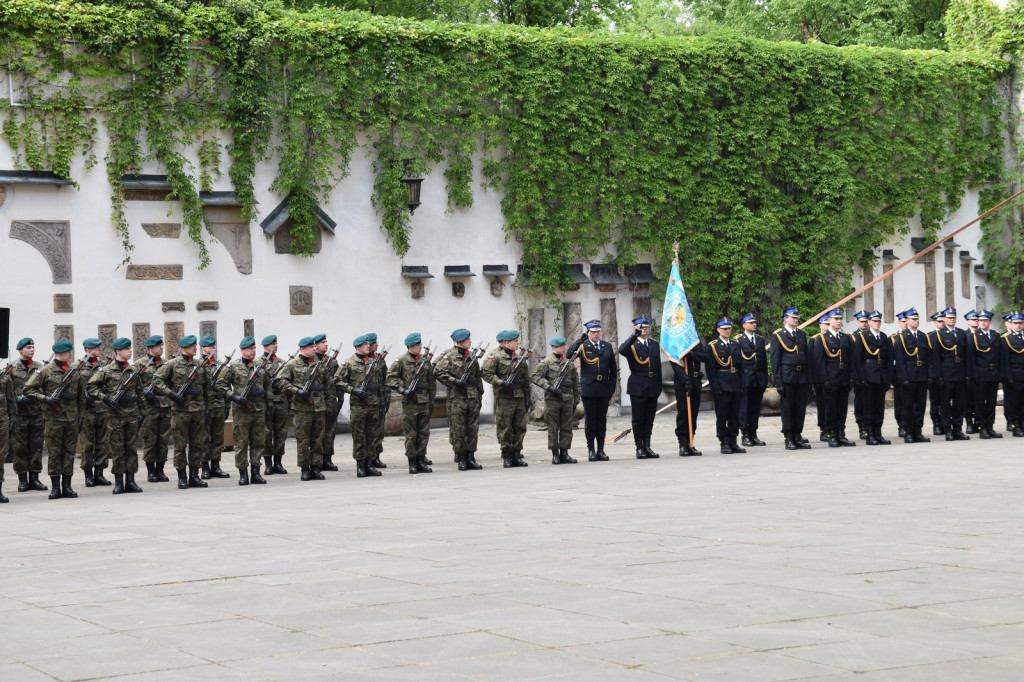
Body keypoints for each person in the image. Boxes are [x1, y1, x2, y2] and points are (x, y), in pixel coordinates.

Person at [23, 340, 86, 499]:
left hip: (71, 419)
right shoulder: (44, 371)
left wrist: (81, 416)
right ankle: (56, 487)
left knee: (69, 452)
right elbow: (27, 390)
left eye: (71, 351)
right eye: (68, 352)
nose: (71, 354)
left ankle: (67, 486)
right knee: (55, 453)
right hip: (53, 420)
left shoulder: (74, 371)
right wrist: (45, 399)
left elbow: (80, 396)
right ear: (59, 353)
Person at [151, 334, 211, 489]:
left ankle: (194, 476)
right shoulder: (172, 364)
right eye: (192, 346)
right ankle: (182, 476)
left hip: (198, 410)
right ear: (184, 347)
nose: (195, 348)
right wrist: (171, 394)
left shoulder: (200, 365)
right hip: (180, 411)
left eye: (196, 345)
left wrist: (208, 408)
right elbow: (156, 380)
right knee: (180, 445)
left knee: (197, 444)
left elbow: (207, 388)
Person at [88, 337, 144, 494]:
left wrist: (143, 412)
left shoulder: (133, 371)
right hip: (115, 416)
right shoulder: (106, 370)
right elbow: (91, 387)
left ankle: (131, 481)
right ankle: (119, 482)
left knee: (132, 449)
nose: (130, 351)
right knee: (118, 450)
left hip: (132, 415)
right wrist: (105, 398)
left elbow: (140, 393)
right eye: (127, 349)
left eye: (130, 348)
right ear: (118, 351)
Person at [218, 336, 272, 485]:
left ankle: (256, 472)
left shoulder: (260, 366)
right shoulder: (233, 366)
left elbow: (268, 385)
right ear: (243, 350)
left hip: (259, 408)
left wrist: (269, 405)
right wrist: (234, 397)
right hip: (242, 410)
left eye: (255, 348)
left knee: (258, 442)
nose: (253, 351)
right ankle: (243, 473)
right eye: (250, 349)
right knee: (241, 443)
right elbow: (220, 385)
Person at [277, 337, 328, 480]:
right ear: (302, 349)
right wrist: (296, 391)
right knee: (303, 440)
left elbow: (327, 383)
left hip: (319, 407)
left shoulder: (320, 363)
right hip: (302, 408)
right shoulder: (292, 364)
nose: (314, 348)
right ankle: (305, 469)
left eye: (314, 346)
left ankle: (316, 468)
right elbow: (280, 381)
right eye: (311, 347)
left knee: (318, 440)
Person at [433, 329, 484, 470]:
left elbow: (478, 377)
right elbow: (437, 371)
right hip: (457, 398)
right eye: (468, 340)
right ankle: (461, 458)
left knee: (472, 428)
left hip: (472, 396)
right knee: (459, 428)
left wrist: (480, 395)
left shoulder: (472, 356)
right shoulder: (449, 356)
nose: (470, 341)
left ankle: (471, 457)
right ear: (460, 341)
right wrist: (454, 381)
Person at [567, 319, 616, 461]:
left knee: (601, 420)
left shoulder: (607, 346)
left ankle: (601, 449)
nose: (596, 334)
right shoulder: (583, 346)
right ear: (588, 333)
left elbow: (613, 370)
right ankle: (591, 450)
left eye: (598, 331)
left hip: (603, 388)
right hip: (589, 388)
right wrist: (579, 341)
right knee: (590, 420)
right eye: (593, 332)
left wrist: (611, 388)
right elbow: (569, 356)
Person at [387, 333, 437, 474]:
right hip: (410, 402)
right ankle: (412, 462)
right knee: (411, 434)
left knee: (423, 433)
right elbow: (390, 378)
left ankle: (421, 460)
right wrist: (403, 390)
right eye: (417, 345)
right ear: (410, 346)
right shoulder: (401, 360)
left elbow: (431, 382)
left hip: (424, 401)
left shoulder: (424, 360)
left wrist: (431, 400)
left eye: (420, 344)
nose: (420, 347)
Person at [334, 335, 382, 477]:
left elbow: (381, 382)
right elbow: (337, 380)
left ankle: (370, 464)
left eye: (369, 343)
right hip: (358, 405)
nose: (369, 346)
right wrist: (353, 390)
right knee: (359, 436)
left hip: (373, 404)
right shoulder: (349, 363)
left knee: (372, 435)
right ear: (358, 347)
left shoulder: (375, 362)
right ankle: (360, 465)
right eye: (365, 344)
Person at [481, 330, 531, 467]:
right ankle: (507, 455)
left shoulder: (519, 357)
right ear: (507, 343)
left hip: (519, 397)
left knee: (520, 427)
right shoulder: (495, 356)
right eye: (515, 341)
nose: (518, 343)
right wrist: (501, 382)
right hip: (504, 398)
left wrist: (528, 397)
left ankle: (517, 454)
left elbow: (525, 379)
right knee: (505, 428)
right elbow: (486, 374)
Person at [531, 336, 581, 464]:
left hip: (567, 398)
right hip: (553, 399)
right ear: (554, 348)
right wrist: (550, 388)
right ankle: (555, 454)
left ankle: (564, 453)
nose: (564, 348)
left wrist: (576, 398)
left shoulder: (569, 363)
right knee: (553, 427)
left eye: (564, 345)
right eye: (560, 346)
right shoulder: (546, 362)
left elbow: (575, 382)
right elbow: (535, 377)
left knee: (567, 427)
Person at [618, 316, 663, 459]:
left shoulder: (654, 344)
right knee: (638, 419)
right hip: (638, 384)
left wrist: (659, 385)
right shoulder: (632, 344)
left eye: (646, 326)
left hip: (652, 384)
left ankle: (647, 446)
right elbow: (621, 350)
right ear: (635, 327)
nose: (644, 328)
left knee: (649, 418)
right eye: (641, 326)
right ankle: (639, 447)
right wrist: (634, 335)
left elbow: (658, 366)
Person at [809, 310, 855, 448]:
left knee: (842, 406)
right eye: (836, 319)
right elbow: (819, 361)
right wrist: (824, 379)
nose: (839, 321)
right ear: (829, 320)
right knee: (830, 407)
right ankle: (831, 434)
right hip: (830, 376)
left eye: (840, 319)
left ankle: (841, 433)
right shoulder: (821, 339)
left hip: (843, 376)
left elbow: (851, 359)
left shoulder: (845, 338)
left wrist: (852, 377)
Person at [769, 308, 811, 450]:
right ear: (785, 319)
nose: (795, 319)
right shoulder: (779, 335)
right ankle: (788, 437)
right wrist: (778, 382)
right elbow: (775, 360)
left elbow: (805, 356)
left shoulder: (801, 334)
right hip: (787, 376)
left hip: (801, 376)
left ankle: (797, 435)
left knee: (800, 408)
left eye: (796, 317)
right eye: (792, 317)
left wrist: (808, 378)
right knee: (788, 408)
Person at [10, 338, 48, 493]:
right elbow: (6, 389)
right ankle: (22, 480)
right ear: (20, 351)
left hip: (37, 413)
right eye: (28, 347)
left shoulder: (41, 368)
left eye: (33, 347)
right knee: (20, 448)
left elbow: (46, 388)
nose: (31, 350)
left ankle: (34, 478)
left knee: (36, 447)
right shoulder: (12, 368)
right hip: (19, 415)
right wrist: (16, 398)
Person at [892, 308, 933, 443]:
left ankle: (918, 431)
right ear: (907, 321)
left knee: (920, 405)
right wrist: (903, 378)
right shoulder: (901, 338)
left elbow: (928, 358)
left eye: (917, 319)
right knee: (908, 405)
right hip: (909, 376)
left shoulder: (923, 336)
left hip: (921, 375)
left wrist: (929, 376)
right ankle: (908, 431)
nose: (916, 321)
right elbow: (899, 360)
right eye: (913, 319)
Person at [851, 311, 892, 445]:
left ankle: (878, 433)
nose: (877, 323)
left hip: (881, 375)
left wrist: (888, 378)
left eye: (878, 321)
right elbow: (857, 360)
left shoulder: (884, 337)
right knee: (869, 407)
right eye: (874, 321)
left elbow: (888, 360)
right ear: (868, 322)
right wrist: (860, 378)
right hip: (868, 375)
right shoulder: (862, 337)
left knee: (879, 407)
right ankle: (869, 434)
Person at [706, 319, 745, 454]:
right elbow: (710, 370)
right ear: (718, 330)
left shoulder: (735, 344)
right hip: (722, 383)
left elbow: (741, 366)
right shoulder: (713, 346)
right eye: (724, 329)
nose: (727, 331)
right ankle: (724, 441)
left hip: (735, 383)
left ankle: (733, 440)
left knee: (735, 414)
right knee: (722, 415)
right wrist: (714, 387)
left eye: (729, 328)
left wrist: (742, 384)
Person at [933, 308, 970, 441]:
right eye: (949, 317)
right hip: (946, 373)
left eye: (953, 317)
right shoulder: (939, 334)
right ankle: (947, 429)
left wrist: (967, 374)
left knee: (960, 403)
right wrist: (938, 376)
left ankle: (958, 428)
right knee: (945, 403)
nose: (952, 319)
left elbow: (966, 355)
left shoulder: (961, 333)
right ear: (944, 319)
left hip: (960, 372)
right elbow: (936, 357)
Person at [78, 337, 111, 487]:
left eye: (99, 347)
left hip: (102, 409)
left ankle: (99, 473)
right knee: (87, 445)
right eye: (96, 348)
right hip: (86, 412)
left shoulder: (103, 366)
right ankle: (88, 475)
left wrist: (103, 390)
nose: (99, 350)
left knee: (102, 443)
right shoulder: (78, 366)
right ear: (87, 350)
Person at [138, 335, 171, 483]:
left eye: (162, 345)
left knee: (163, 440)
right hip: (148, 408)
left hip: (164, 405)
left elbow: (172, 383)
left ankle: (161, 470)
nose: (161, 348)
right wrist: (144, 392)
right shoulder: (140, 364)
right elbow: (134, 385)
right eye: (158, 346)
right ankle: (151, 471)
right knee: (150, 440)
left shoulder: (167, 364)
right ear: (150, 348)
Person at [967, 310, 1002, 439]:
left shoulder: (995, 335)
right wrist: (973, 375)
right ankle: (982, 427)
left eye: (985, 321)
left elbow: (1000, 356)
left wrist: (1000, 373)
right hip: (980, 373)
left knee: (991, 402)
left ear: (989, 322)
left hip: (993, 373)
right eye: (980, 321)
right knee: (980, 402)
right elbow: (970, 357)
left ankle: (990, 426)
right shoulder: (973, 336)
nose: (982, 323)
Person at [200, 335, 231, 480]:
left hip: (219, 405)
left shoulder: (221, 365)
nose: (213, 348)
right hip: (204, 407)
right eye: (210, 346)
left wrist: (227, 405)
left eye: (214, 346)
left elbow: (226, 386)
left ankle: (216, 466)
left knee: (218, 438)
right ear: (203, 348)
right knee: (204, 438)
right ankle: (205, 467)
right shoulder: (198, 365)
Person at [737, 313, 768, 447]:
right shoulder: (738, 340)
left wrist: (765, 378)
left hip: (758, 378)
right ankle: (745, 434)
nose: (754, 324)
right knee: (744, 408)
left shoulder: (760, 340)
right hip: (746, 377)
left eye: (754, 322)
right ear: (744, 325)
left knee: (755, 408)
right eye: (750, 322)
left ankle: (753, 433)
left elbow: (764, 361)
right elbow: (738, 362)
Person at [262, 335, 290, 476]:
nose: (275, 346)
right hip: (266, 403)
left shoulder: (282, 363)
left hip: (281, 402)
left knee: (281, 433)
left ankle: (278, 462)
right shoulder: (258, 363)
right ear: (265, 346)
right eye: (272, 344)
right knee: (266, 434)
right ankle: (268, 464)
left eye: (276, 343)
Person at [672, 342, 705, 457]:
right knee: (683, 413)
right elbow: (675, 363)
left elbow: (705, 356)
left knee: (693, 414)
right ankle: (682, 444)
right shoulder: (677, 343)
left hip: (696, 381)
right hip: (683, 383)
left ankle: (690, 442)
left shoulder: (696, 343)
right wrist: (686, 380)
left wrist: (692, 354)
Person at [314, 333, 342, 472]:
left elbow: (338, 380)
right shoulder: (311, 361)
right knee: (317, 433)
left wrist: (340, 397)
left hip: (331, 401)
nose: (326, 344)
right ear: (315, 345)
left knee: (330, 432)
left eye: (326, 342)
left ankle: (327, 459)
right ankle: (316, 461)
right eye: (322, 342)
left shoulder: (332, 361)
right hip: (316, 402)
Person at [367, 333, 390, 470]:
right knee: (368, 432)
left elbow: (385, 380)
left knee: (379, 430)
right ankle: (368, 458)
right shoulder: (360, 361)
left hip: (379, 400)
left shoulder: (380, 360)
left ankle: (376, 456)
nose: (377, 345)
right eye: (375, 343)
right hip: (366, 401)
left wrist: (386, 398)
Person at [1000, 311, 1024, 436]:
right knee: (1015, 402)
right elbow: (1005, 360)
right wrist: (1007, 376)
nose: (1018, 326)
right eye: (1015, 323)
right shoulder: (1006, 339)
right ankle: (1016, 425)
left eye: (1020, 323)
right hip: (1014, 375)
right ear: (1011, 324)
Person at [850, 311, 871, 439]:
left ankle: (870, 426)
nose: (864, 324)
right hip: (859, 373)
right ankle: (862, 426)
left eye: (865, 321)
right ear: (857, 322)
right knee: (860, 402)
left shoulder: (872, 335)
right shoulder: (853, 336)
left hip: (872, 373)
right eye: (861, 321)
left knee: (871, 402)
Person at [812, 313, 832, 442]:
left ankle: (832, 428)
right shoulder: (815, 339)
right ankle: (823, 429)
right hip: (820, 378)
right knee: (823, 404)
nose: (827, 326)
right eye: (826, 324)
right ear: (820, 325)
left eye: (828, 324)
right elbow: (813, 361)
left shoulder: (836, 338)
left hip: (833, 377)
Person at [927, 312, 946, 435]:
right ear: (934, 323)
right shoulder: (930, 336)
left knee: (945, 401)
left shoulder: (950, 335)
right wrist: (931, 375)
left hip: (947, 373)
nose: (941, 323)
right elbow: (929, 358)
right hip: (934, 374)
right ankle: (936, 423)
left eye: (942, 321)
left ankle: (945, 423)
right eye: (939, 321)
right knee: (935, 401)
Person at [963, 310, 981, 434]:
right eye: (973, 319)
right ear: (968, 321)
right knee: (968, 399)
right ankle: (969, 422)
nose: (975, 321)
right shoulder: (964, 335)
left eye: (976, 319)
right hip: (968, 372)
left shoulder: (983, 335)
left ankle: (979, 423)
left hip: (981, 372)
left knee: (980, 399)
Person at [890, 311, 908, 438]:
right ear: (899, 323)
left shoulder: (917, 336)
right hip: (899, 374)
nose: (905, 324)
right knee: (900, 401)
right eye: (903, 321)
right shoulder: (893, 338)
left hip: (914, 372)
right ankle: (901, 425)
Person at [0, 358, 15, 502]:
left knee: (1, 455)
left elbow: (11, 399)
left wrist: (13, 419)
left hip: (2, 421)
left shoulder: (4, 376)